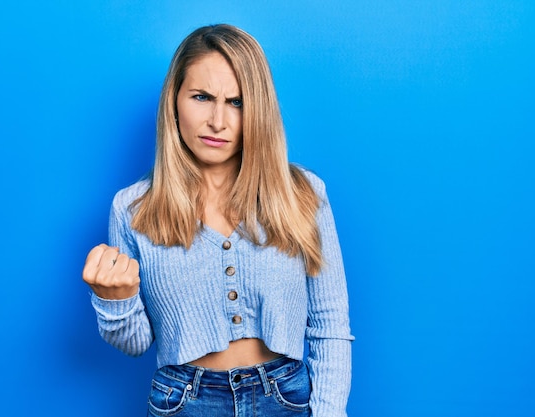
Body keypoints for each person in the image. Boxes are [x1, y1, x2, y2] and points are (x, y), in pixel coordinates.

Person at [82, 24, 354, 417]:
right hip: (184, 402)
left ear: (257, 109)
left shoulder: (303, 194)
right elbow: (136, 342)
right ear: (174, 100)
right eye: (201, 97)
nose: (218, 121)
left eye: (237, 102)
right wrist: (114, 301)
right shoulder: (133, 208)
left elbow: (330, 325)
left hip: (288, 399)